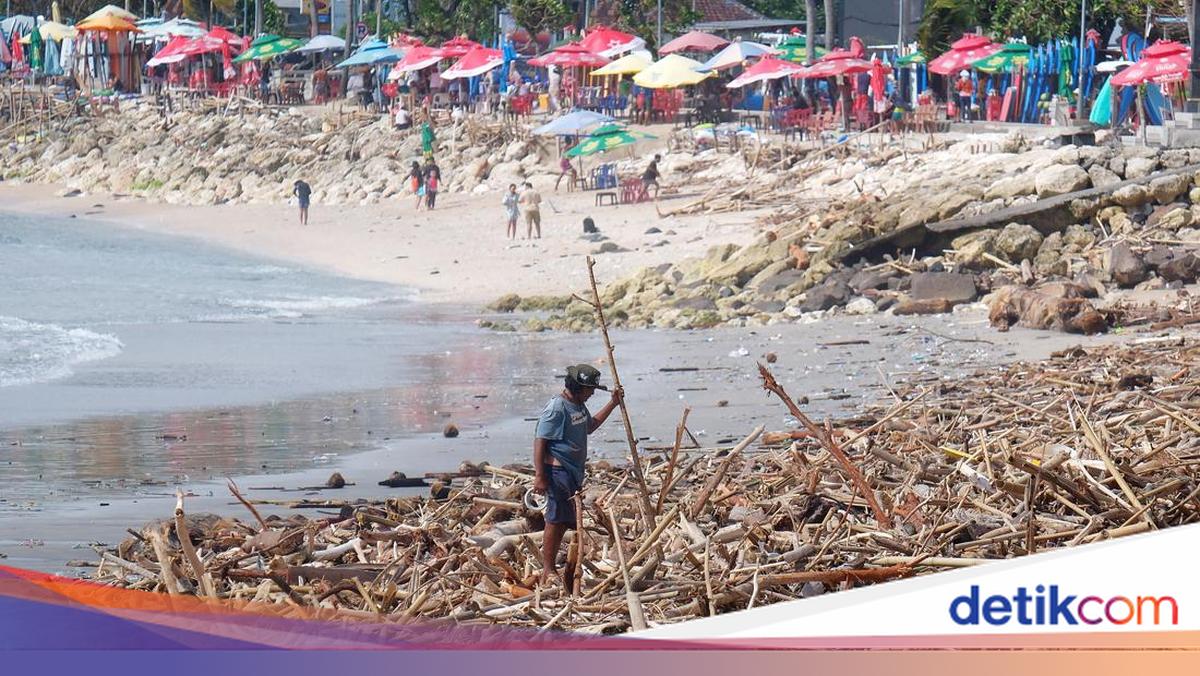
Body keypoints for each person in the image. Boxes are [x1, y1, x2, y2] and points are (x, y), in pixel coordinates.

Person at [533, 364, 623, 587]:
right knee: (555, 520)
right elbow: (539, 441)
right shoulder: (557, 408)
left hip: (572, 472)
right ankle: (548, 570)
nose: (592, 393)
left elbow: (589, 427)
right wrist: (539, 475)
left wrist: (613, 403)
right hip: (557, 471)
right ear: (577, 387)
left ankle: (557, 565)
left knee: (564, 521)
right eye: (589, 389)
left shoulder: (578, 406)